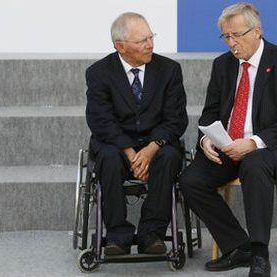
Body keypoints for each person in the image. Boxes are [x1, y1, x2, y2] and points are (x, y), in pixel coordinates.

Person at [179, 3, 277, 277]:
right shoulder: (222, 65)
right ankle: (239, 245)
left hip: (270, 148)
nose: (232, 43)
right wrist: (206, 141)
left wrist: (253, 143)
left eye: (237, 35)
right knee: (190, 181)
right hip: (228, 145)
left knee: (254, 165)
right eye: (226, 36)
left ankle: (260, 252)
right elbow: (209, 113)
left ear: (257, 31)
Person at [85, 12, 188, 256]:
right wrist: (131, 152)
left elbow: (176, 118)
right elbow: (100, 120)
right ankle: (117, 236)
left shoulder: (169, 70)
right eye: (142, 40)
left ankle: (151, 234)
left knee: (169, 157)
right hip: (116, 145)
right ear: (120, 46)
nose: (150, 44)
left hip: (158, 142)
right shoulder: (99, 73)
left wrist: (152, 148)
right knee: (108, 159)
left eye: (151, 37)